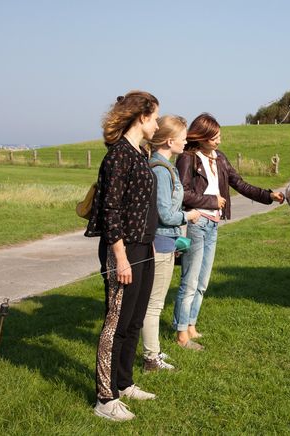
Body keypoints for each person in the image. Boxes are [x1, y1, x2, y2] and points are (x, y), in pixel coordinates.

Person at [174, 113, 285, 350]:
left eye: (219, 136)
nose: (218, 141)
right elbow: (182, 193)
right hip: (197, 223)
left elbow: (240, 184)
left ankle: (192, 325)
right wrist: (211, 201)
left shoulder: (220, 158)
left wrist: (268, 196)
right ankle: (181, 333)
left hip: (213, 225)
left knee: (203, 281)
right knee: (190, 280)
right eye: (214, 137)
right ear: (201, 136)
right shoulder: (187, 158)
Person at [84, 90, 160, 421]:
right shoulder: (117, 157)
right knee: (115, 324)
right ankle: (105, 397)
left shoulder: (139, 154)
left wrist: (149, 245)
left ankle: (125, 382)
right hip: (124, 250)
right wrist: (121, 256)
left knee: (134, 320)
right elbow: (110, 210)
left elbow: (141, 206)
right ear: (142, 116)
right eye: (155, 117)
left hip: (144, 247)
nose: (158, 123)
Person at [141, 115, 200, 371]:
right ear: (169, 140)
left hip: (167, 241)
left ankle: (153, 352)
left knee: (154, 302)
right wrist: (189, 215)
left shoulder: (165, 166)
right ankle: (151, 358)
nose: (186, 140)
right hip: (160, 241)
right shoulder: (160, 170)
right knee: (154, 305)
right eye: (183, 136)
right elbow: (164, 213)